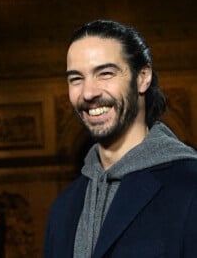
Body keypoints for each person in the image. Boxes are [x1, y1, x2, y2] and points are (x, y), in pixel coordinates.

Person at [43, 19, 197, 257]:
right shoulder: (64, 207)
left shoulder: (190, 186)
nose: (88, 92)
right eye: (76, 79)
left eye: (105, 73)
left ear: (142, 78)